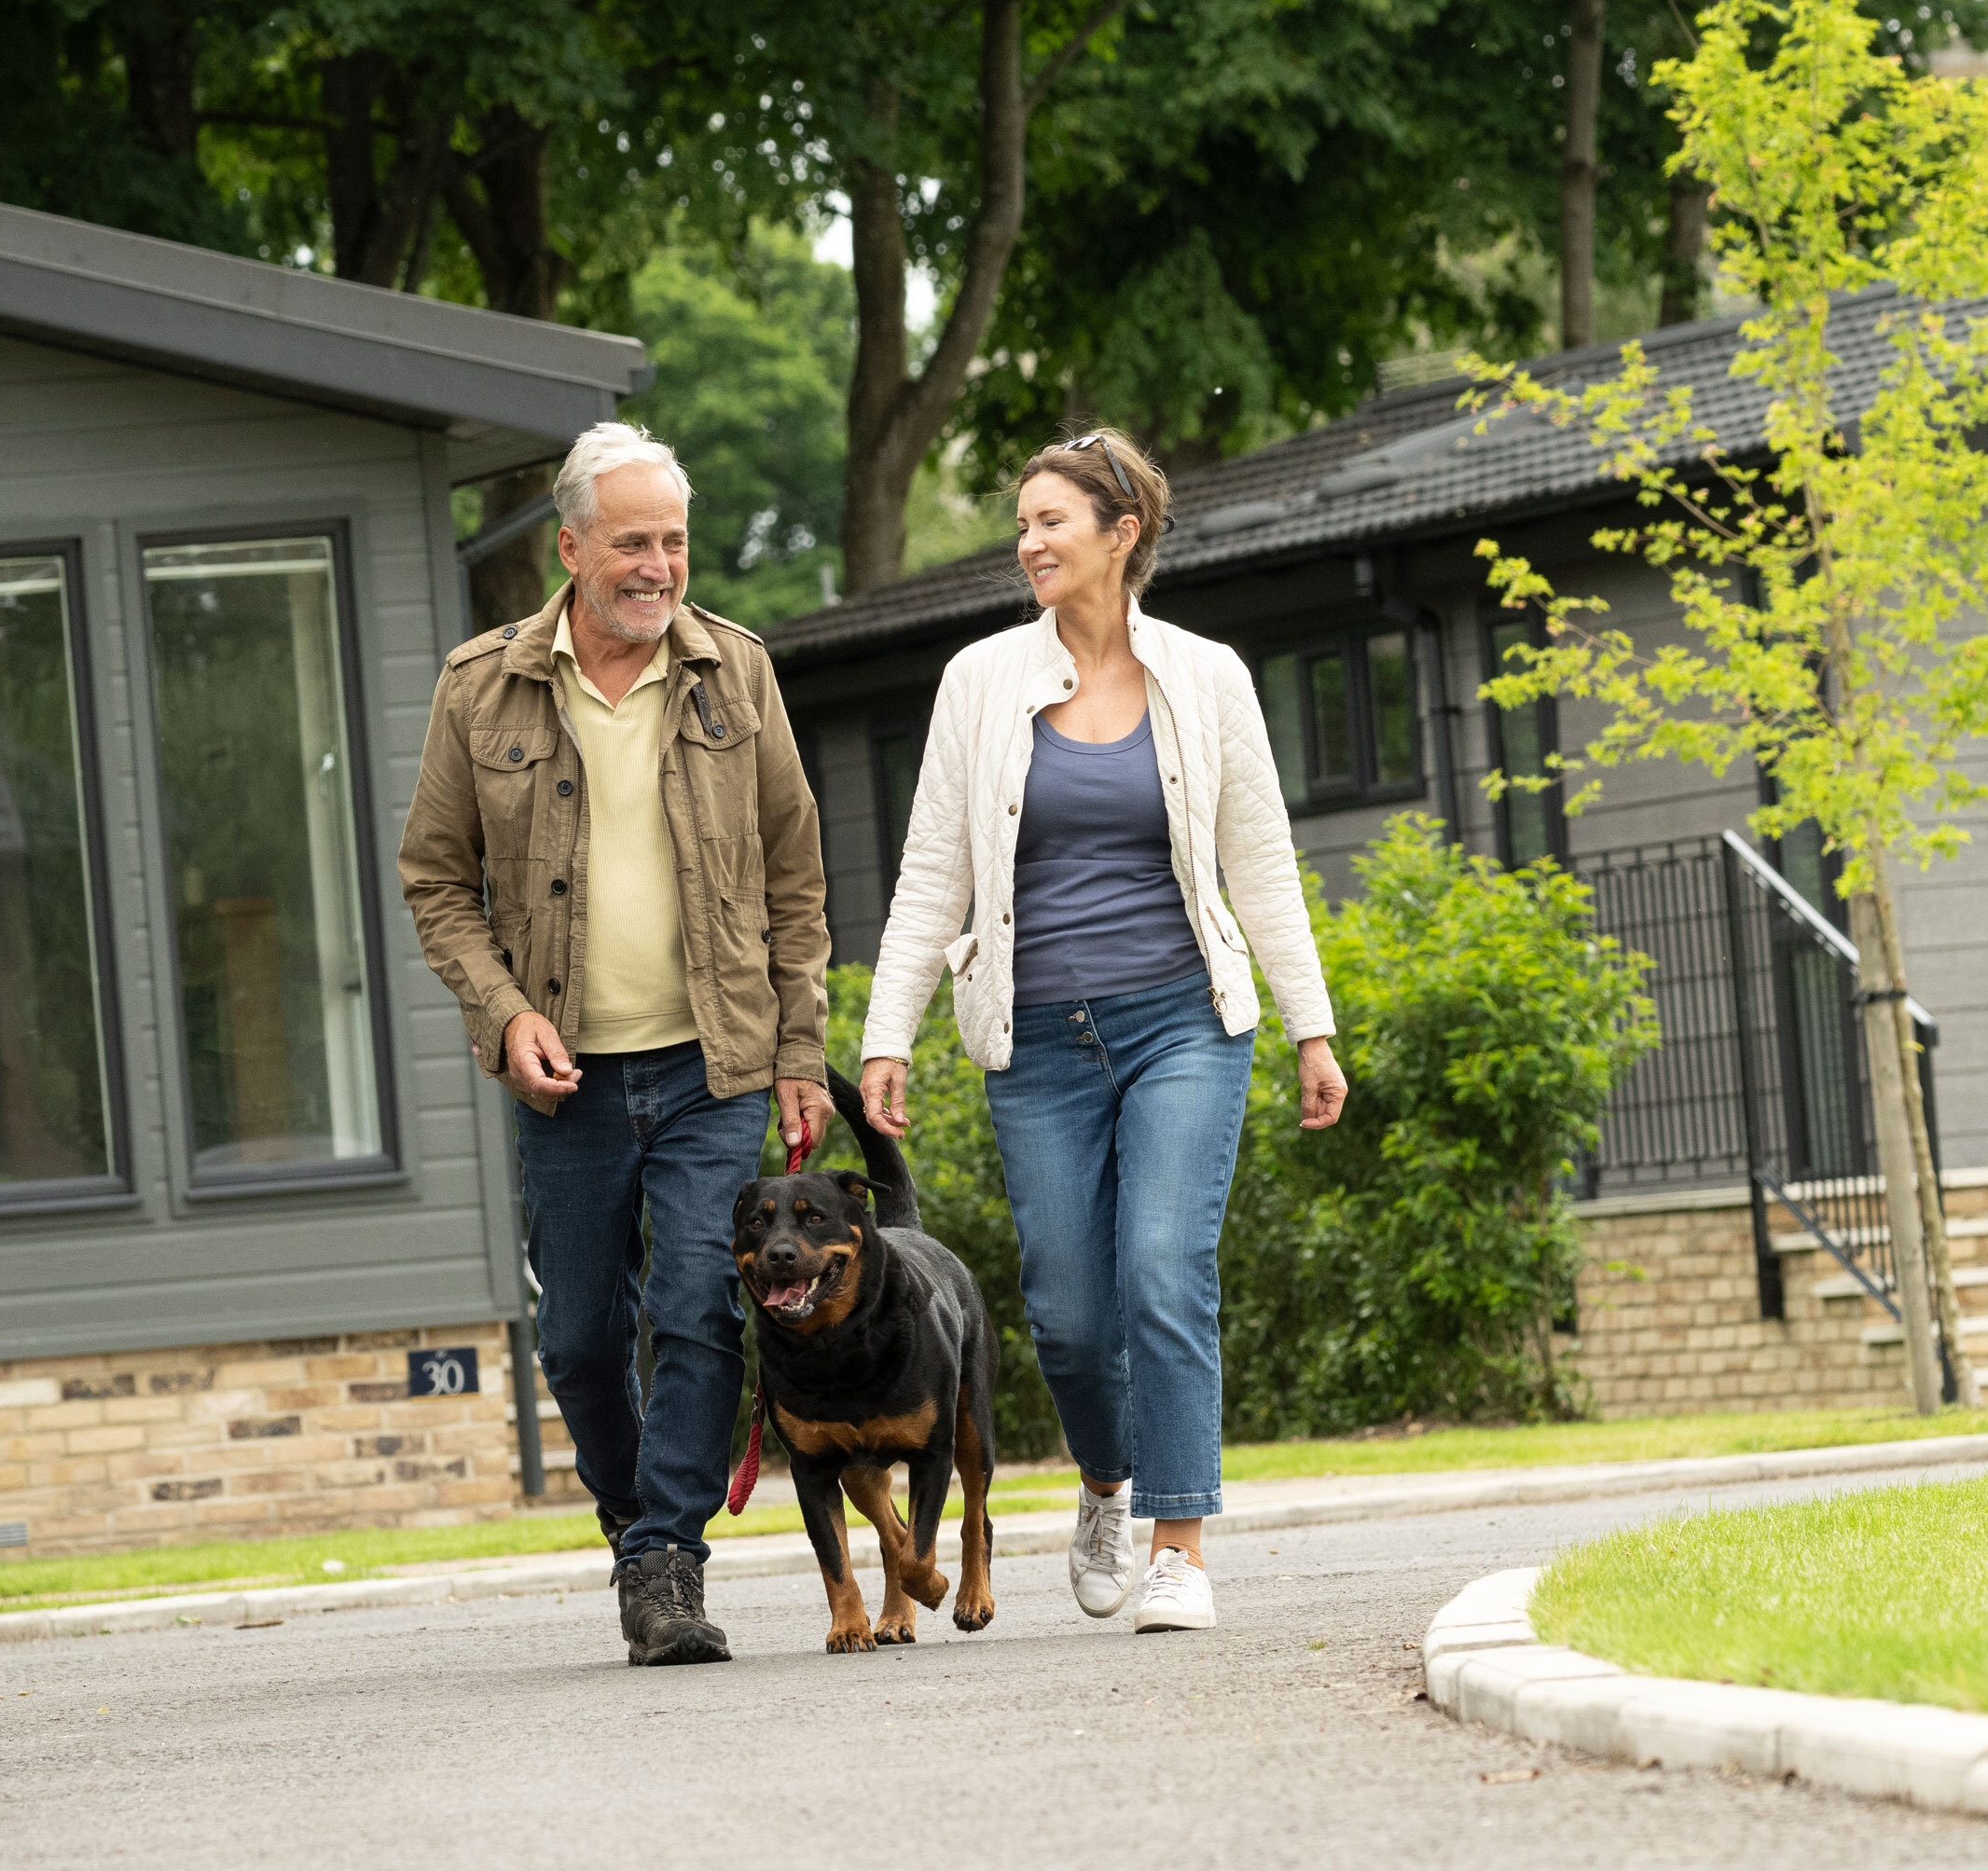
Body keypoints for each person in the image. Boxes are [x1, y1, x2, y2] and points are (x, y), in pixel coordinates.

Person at [856, 428, 1347, 1634]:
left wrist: (1311, 1027)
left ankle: (1180, 1543)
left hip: (1184, 1019)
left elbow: (1261, 865)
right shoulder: (980, 682)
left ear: (1121, 535)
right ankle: (1107, 1481)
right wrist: (889, 1034)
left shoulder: (1206, 677)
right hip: (1038, 1043)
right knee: (1071, 1312)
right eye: (1020, 524)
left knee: (1165, 1269)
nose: (1027, 543)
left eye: (1050, 523)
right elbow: (931, 873)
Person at [401, 422, 835, 1667]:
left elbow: (797, 879)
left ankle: (665, 1560)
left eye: (675, 542)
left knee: (704, 1305)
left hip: (715, 1061)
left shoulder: (736, 675)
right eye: (634, 542)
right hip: (570, 1075)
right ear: (571, 546)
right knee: (583, 1333)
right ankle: (637, 1517)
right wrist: (506, 1013)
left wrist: (799, 1050)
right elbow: (436, 880)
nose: (659, 566)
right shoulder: (478, 686)